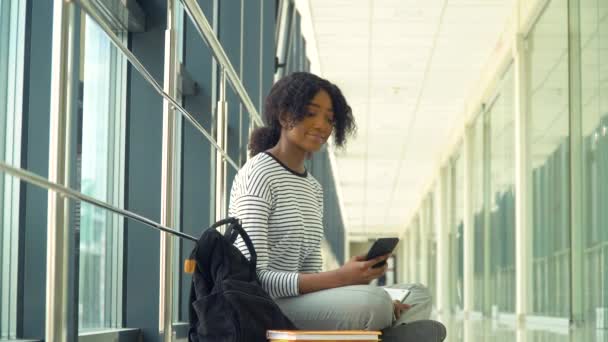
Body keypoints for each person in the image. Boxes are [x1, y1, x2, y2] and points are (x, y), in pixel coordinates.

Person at [228, 72, 446, 341]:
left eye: (329, 119)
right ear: (285, 116)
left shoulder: (313, 188)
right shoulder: (258, 174)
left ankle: (381, 334)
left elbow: (310, 272)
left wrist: (348, 278)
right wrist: (342, 279)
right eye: (311, 113)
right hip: (265, 305)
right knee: (375, 303)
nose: (322, 125)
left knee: (417, 293)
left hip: (299, 302)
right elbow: (254, 280)